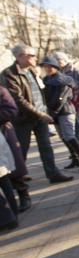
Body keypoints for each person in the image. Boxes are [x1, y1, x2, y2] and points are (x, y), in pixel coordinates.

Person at [0, 44, 73, 184]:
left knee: (45, 145)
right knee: (21, 148)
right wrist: (40, 114)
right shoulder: (9, 74)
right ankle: (18, 178)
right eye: (31, 55)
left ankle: (53, 173)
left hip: (40, 116)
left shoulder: (32, 71)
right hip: (23, 118)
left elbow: (40, 92)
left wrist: (43, 111)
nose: (35, 58)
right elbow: (18, 99)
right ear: (20, 56)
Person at [40, 55, 79, 170]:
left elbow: (61, 98)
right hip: (54, 112)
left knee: (69, 136)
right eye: (46, 67)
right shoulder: (46, 80)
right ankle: (75, 158)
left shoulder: (62, 79)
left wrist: (54, 112)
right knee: (63, 136)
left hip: (65, 110)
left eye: (50, 66)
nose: (48, 69)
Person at [0, 85, 30, 213]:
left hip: (3, 133)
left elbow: (11, 110)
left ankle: (23, 194)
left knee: (12, 169)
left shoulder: (1, 90)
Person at [52, 51, 79, 142]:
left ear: (65, 59)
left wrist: (78, 99)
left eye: (58, 59)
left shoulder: (75, 71)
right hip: (67, 104)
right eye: (55, 60)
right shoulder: (58, 72)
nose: (57, 62)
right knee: (73, 128)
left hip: (77, 102)